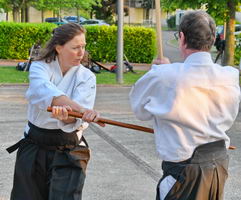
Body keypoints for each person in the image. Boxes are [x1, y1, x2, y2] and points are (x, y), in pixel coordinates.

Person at [129, 10, 240, 200]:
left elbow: (140, 110)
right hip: (217, 168)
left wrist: (159, 71)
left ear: (181, 37)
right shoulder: (229, 76)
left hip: (183, 174)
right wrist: (166, 71)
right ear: (213, 39)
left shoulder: (163, 76)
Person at [7, 23, 104, 200]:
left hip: (70, 149)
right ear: (58, 47)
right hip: (35, 144)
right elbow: (44, 91)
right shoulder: (40, 67)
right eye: (75, 47)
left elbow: (74, 121)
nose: (81, 53)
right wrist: (82, 110)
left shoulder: (87, 76)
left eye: (83, 46)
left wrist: (69, 117)